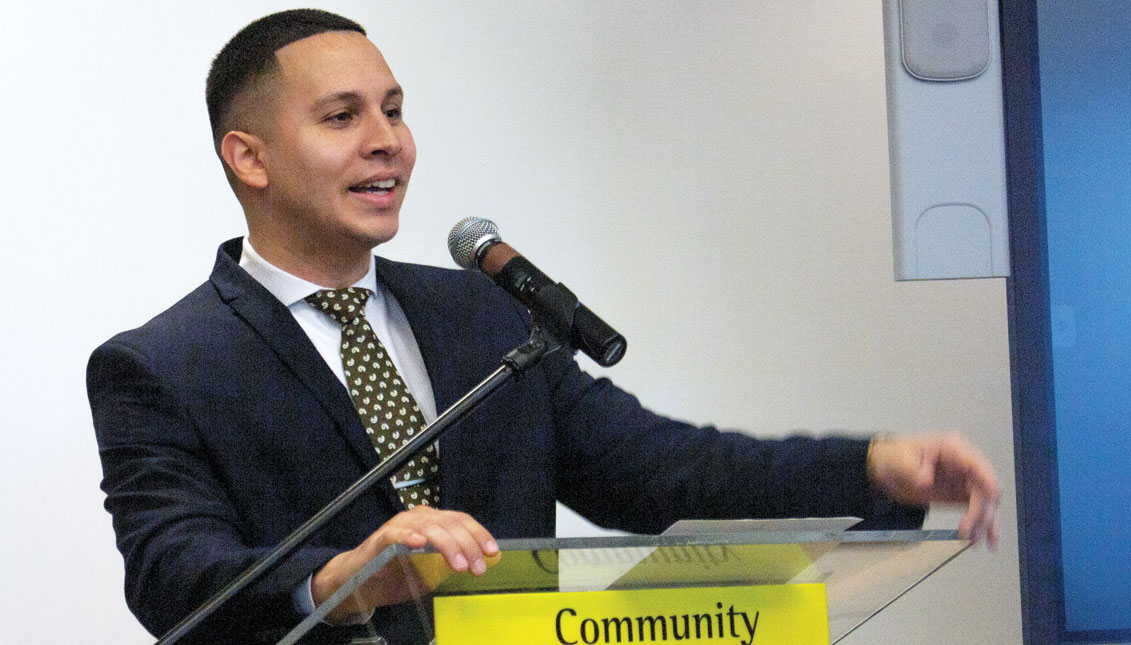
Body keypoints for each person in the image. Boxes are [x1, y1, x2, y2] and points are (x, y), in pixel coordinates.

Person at [87, 9, 1001, 644]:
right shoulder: (162, 365)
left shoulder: (481, 316)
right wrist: (342, 581)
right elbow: (177, 578)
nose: (388, 141)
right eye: (342, 117)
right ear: (248, 156)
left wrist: (869, 464)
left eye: (395, 111)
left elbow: (660, 472)